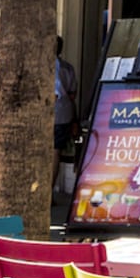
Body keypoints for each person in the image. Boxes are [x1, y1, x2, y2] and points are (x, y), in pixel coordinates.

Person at [53, 35, 78, 196]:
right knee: (55, 152)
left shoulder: (39, 67)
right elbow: (72, 94)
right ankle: (48, 191)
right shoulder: (67, 68)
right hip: (63, 113)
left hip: (46, 113)